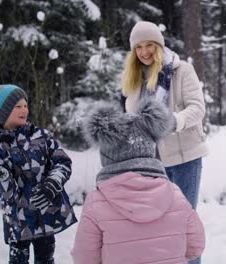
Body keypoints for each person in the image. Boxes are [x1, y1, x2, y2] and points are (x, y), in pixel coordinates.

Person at [71, 99, 205, 264]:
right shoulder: (175, 195)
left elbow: (84, 258)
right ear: (150, 149)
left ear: (107, 156)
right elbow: (195, 247)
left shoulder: (96, 202)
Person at [121, 20, 208, 264]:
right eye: (139, 47)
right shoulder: (134, 77)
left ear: (159, 45)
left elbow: (197, 109)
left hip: (185, 159)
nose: (144, 52)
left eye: (149, 45)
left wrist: (173, 121)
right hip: (152, 163)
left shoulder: (182, 71)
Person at [0, 84, 77, 264]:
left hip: (46, 213)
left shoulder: (41, 136)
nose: (24, 109)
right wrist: (1, 175)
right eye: (17, 106)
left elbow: (62, 161)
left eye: (25, 105)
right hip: (18, 221)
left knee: (46, 259)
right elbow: (7, 194)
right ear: (3, 112)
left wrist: (53, 182)